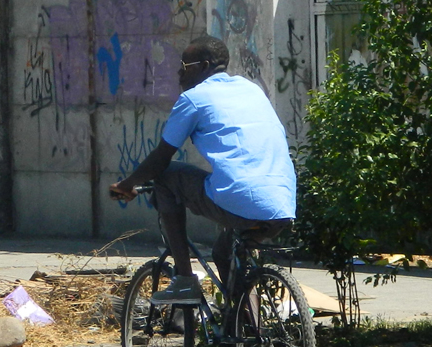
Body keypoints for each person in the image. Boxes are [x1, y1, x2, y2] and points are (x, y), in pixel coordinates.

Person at [109, 35, 296, 305]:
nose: (179, 73)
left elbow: (161, 158)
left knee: (164, 178)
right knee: (224, 253)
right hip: (283, 206)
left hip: (242, 203)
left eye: (185, 66)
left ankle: (184, 280)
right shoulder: (251, 89)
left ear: (205, 66)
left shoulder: (193, 99)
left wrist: (127, 185)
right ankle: (248, 335)